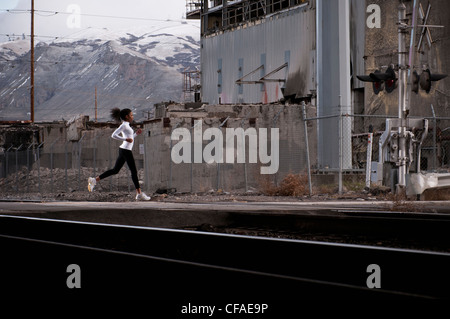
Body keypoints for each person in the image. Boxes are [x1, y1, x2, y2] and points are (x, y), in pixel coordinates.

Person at [88, 107, 151, 201]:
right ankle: (139, 194)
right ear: (126, 116)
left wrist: (136, 134)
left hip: (124, 149)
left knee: (115, 170)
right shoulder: (124, 125)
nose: (132, 116)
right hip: (126, 150)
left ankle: (94, 180)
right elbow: (113, 135)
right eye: (131, 115)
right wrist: (125, 139)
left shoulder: (127, 125)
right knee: (134, 172)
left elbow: (130, 138)